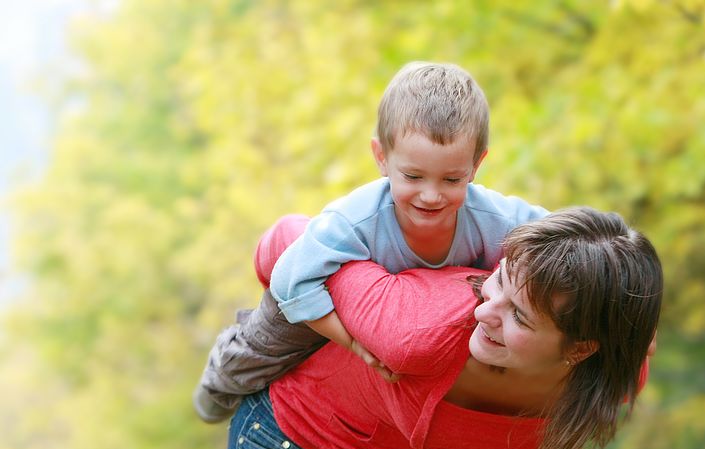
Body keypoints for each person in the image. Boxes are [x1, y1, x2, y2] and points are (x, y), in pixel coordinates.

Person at [221, 206, 663, 449]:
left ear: (583, 350)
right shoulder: (416, 326)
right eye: (498, 283)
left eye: (520, 318)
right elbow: (290, 238)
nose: (484, 312)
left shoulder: (613, 379)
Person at [193, 61, 548, 423]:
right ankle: (218, 383)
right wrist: (351, 343)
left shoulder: (494, 218)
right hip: (328, 296)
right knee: (273, 344)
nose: (430, 195)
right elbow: (291, 278)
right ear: (382, 157)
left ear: (476, 166)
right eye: (413, 176)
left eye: (452, 180)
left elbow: (561, 234)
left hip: (399, 318)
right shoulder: (356, 218)